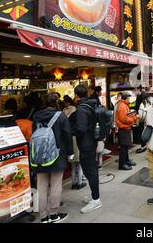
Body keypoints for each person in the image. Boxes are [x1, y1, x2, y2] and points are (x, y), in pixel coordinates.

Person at [32, 93, 73, 223]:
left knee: (41, 186)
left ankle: (43, 216)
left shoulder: (36, 116)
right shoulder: (60, 115)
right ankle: (54, 214)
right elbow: (67, 134)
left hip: (39, 155)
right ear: (57, 102)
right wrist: (70, 152)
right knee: (55, 185)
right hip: (57, 154)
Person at [74, 85, 102, 214]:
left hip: (86, 145)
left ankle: (96, 200)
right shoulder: (91, 104)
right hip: (93, 141)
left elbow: (81, 128)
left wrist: (71, 131)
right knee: (92, 170)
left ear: (76, 96)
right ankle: (94, 194)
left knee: (90, 171)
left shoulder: (81, 109)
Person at [115, 92, 139, 171]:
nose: (131, 99)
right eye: (130, 98)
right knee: (123, 147)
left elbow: (126, 117)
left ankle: (126, 161)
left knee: (125, 146)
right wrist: (134, 118)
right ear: (126, 98)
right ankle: (122, 165)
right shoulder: (122, 106)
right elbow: (124, 119)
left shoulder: (124, 105)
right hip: (123, 129)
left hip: (125, 128)